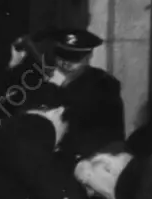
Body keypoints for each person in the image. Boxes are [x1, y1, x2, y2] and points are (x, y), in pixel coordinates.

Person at [46, 28, 126, 158]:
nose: (66, 63)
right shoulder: (44, 82)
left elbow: (112, 137)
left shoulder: (103, 85)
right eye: (61, 56)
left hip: (85, 161)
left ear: (89, 56)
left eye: (74, 59)